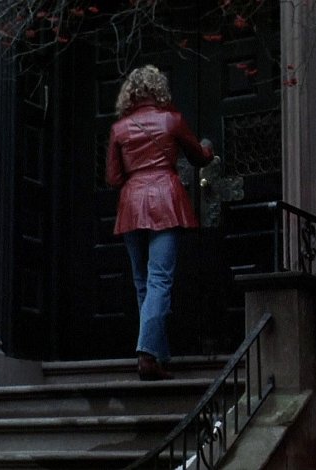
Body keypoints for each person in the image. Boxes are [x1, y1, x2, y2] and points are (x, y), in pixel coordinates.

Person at [105, 65, 215, 381]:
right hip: (165, 200)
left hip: (132, 203)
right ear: (158, 89)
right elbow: (199, 157)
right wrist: (208, 148)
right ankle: (148, 354)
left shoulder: (119, 129)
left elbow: (113, 178)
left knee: (143, 282)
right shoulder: (171, 120)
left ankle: (157, 354)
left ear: (131, 94)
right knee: (160, 280)